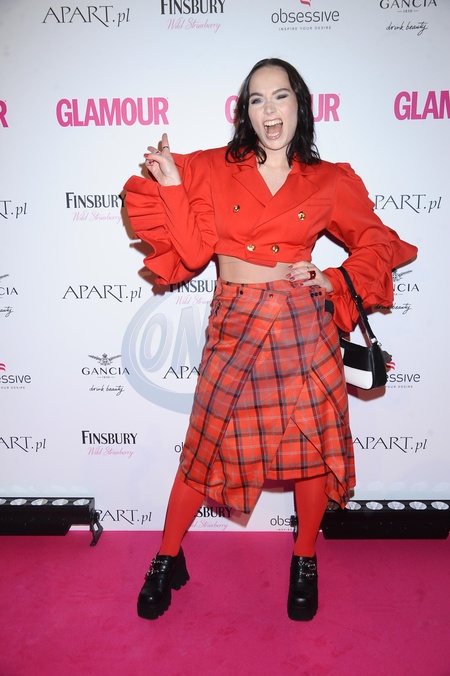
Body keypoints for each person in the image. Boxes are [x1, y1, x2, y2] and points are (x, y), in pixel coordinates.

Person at [123, 58, 417, 622]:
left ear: (299, 104)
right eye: (256, 100)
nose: (269, 110)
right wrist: (172, 184)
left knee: (310, 454)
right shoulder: (214, 166)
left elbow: (378, 242)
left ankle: (304, 557)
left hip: (302, 327)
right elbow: (191, 255)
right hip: (235, 322)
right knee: (202, 449)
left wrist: (333, 279)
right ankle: (166, 556)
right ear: (246, 112)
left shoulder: (328, 180)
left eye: (280, 96)